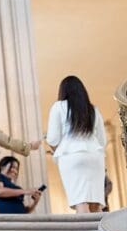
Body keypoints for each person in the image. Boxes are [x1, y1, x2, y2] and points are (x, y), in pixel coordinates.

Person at [46, 75, 107, 213]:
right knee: (96, 203)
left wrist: (57, 149)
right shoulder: (93, 109)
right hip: (95, 156)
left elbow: (52, 139)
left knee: (80, 200)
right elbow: (102, 140)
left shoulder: (58, 107)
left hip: (71, 156)